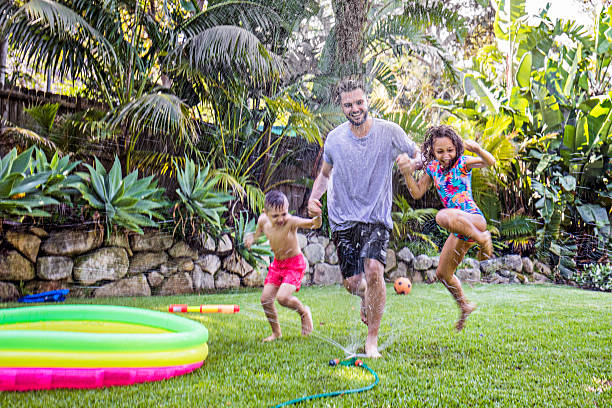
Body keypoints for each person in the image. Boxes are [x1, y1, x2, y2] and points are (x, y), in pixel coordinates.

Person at [307, 78, 418, 358]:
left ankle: (372, 340)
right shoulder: (334, 138)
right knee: (353, 283)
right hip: (343, 218)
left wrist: (412, 164)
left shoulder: (389, 132)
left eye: (359, 102)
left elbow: (418, 154)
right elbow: (324, 174)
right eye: (348, 104)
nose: (355, 108)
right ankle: (367, 296)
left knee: (374, 269)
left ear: (367, 101)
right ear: (341, 106)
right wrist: (312, 198)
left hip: (376, 216)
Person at [397, 124, 495, 331]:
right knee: (443, 274)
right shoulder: (432, 168)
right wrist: (407, 174)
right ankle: (465, 306)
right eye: (440, 151)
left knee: (442, 215)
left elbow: (490, 162)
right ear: (431, 150)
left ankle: (482, 238)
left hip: (473, 220)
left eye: (450, 150)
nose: (446, 155)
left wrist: (476, 149)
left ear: (456, 148)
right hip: (459, 228)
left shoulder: (463, 162)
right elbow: (416, 193)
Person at [244, 190, 321, 342]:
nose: (281, 219)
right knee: (265, 299)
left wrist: (317, 217)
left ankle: (304, 313)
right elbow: (258, 234)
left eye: (284, 214)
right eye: (275, 216)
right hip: (277, 264)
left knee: (283, 298)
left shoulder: (291, 222)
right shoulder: (262, 221)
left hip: (294, 264)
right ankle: (276, 332)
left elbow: (314, 224)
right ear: (265, 213)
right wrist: (251, 239)